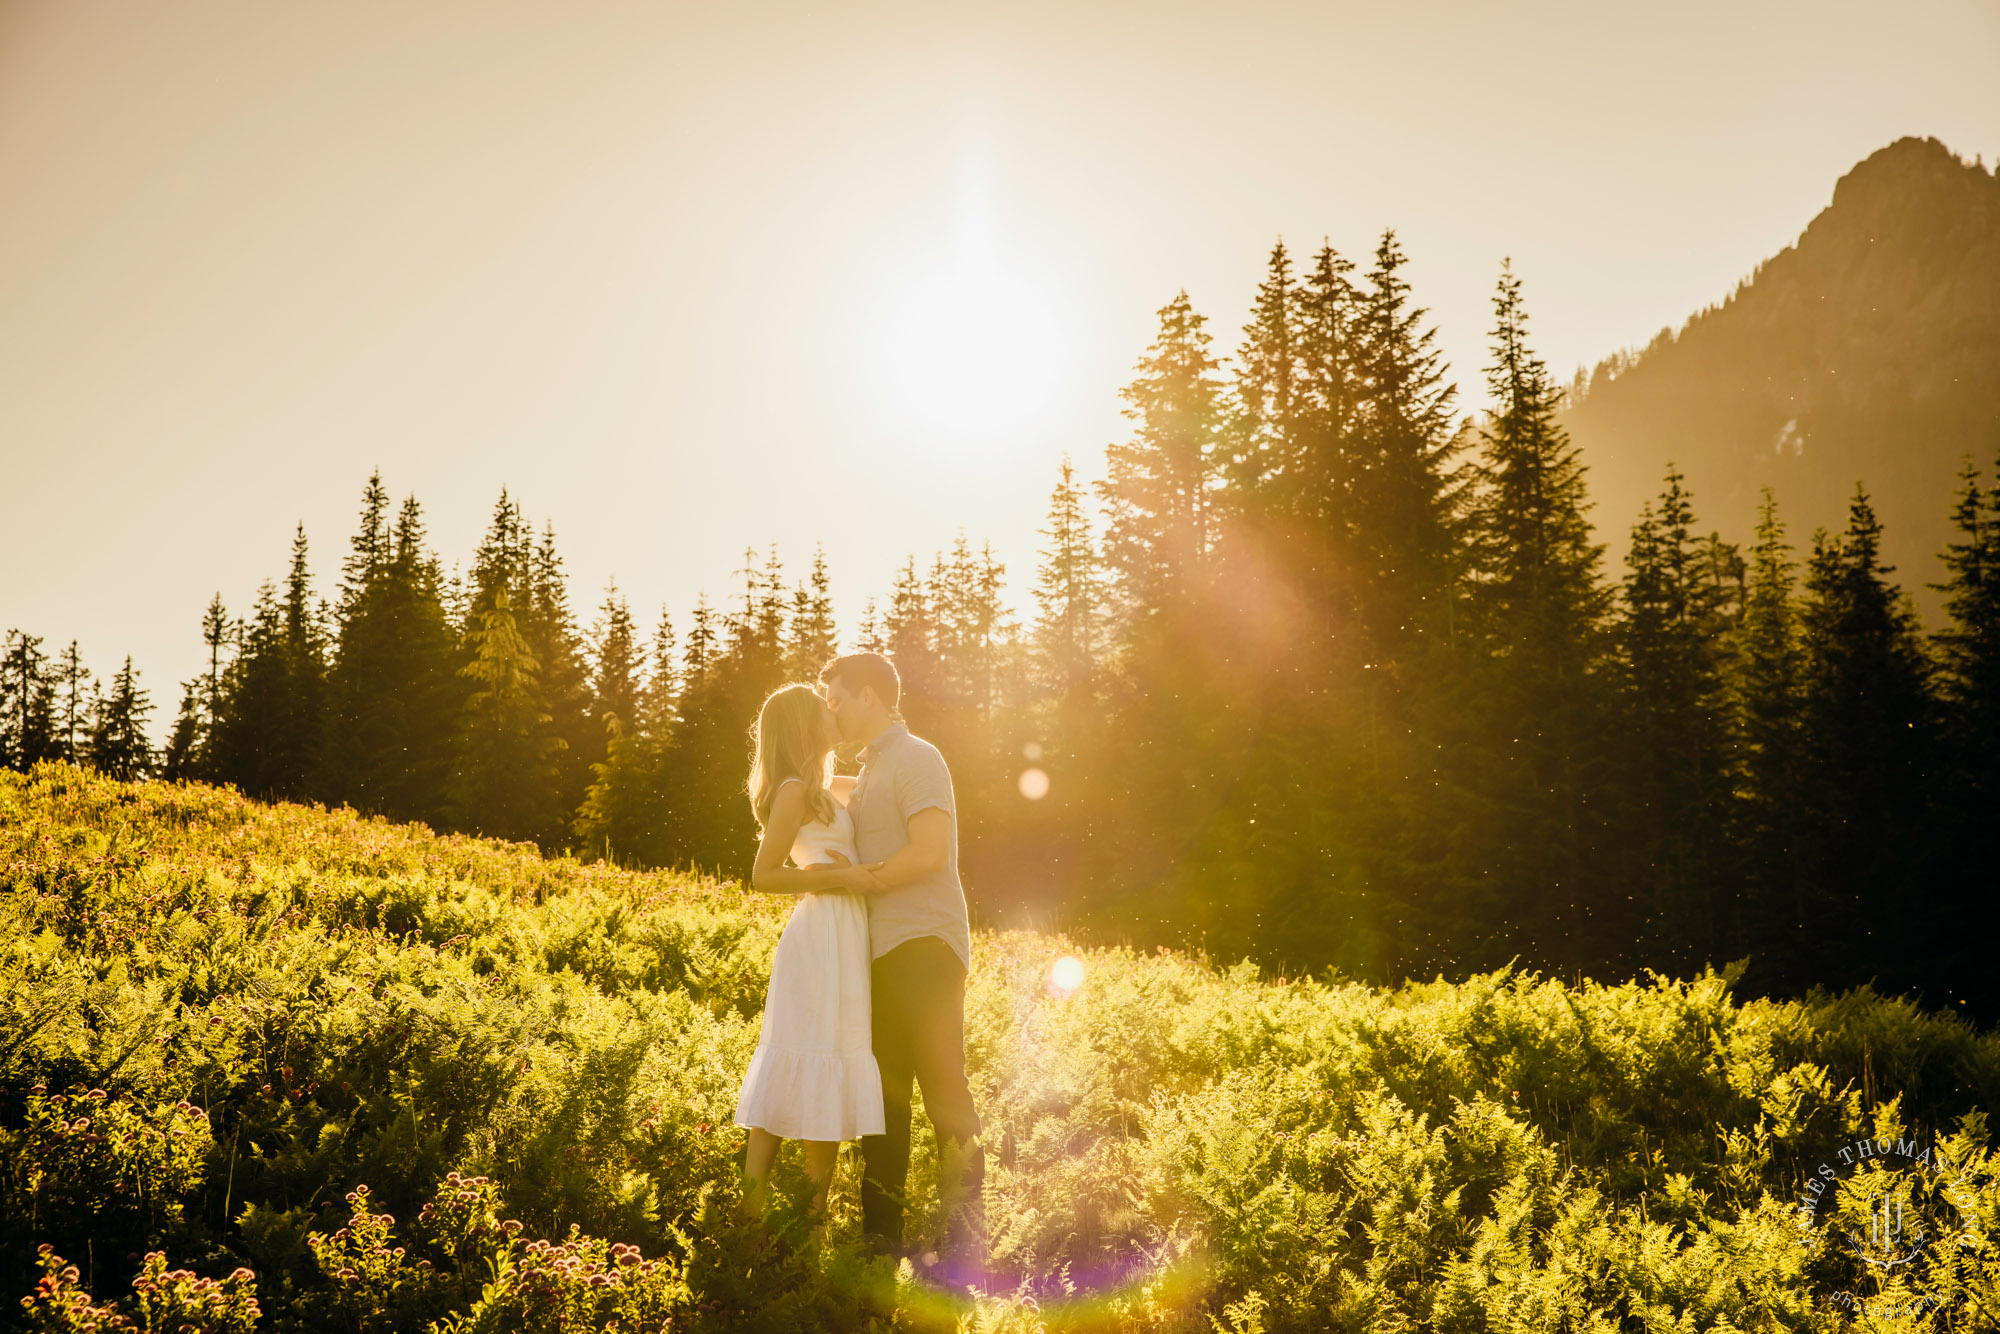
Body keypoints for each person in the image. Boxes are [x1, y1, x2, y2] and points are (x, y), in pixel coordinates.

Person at [818, 652, 986, 1285]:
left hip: (926, 945)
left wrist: (857, 880)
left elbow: (930, 853)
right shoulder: (868, 773)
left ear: (869, 695)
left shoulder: (918, 757)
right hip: (882, 952)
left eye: (834, 697)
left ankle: (967, 1246)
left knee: (944, 1088)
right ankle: (879, 1247)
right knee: (883, 1101)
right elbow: (810, 795)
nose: (829, 708)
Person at [732, 683, 887, 1222]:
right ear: (804, 726)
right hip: (818, 937)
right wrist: (839, 876)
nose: (833, 711)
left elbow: (879, 785)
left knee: (831, 1058)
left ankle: (810, 1227)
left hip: (845, 936)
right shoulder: (795, 789)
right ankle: (752, 1219)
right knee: (803, 1053)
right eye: (825, 708)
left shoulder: (823, 787)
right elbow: (762, 876)